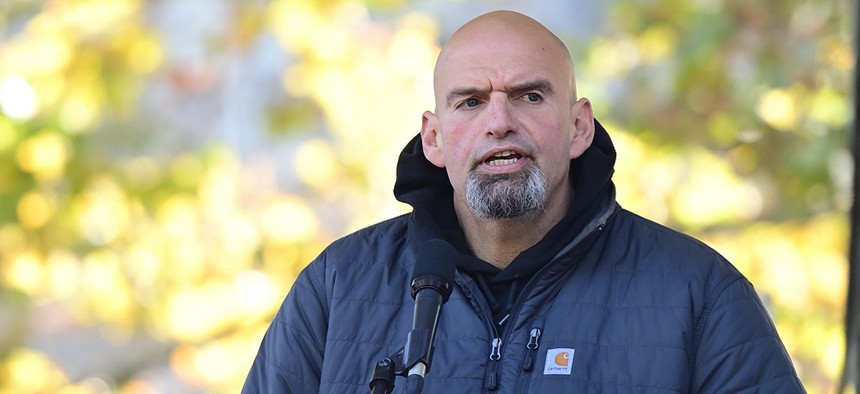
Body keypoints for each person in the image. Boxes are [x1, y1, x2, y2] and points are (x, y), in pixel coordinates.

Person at [243, 10, 805, 393]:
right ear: (433, 138)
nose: (500, 123)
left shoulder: (699, 294)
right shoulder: (337, 287)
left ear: (579, 126)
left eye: (529, 96)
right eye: (470, 103)